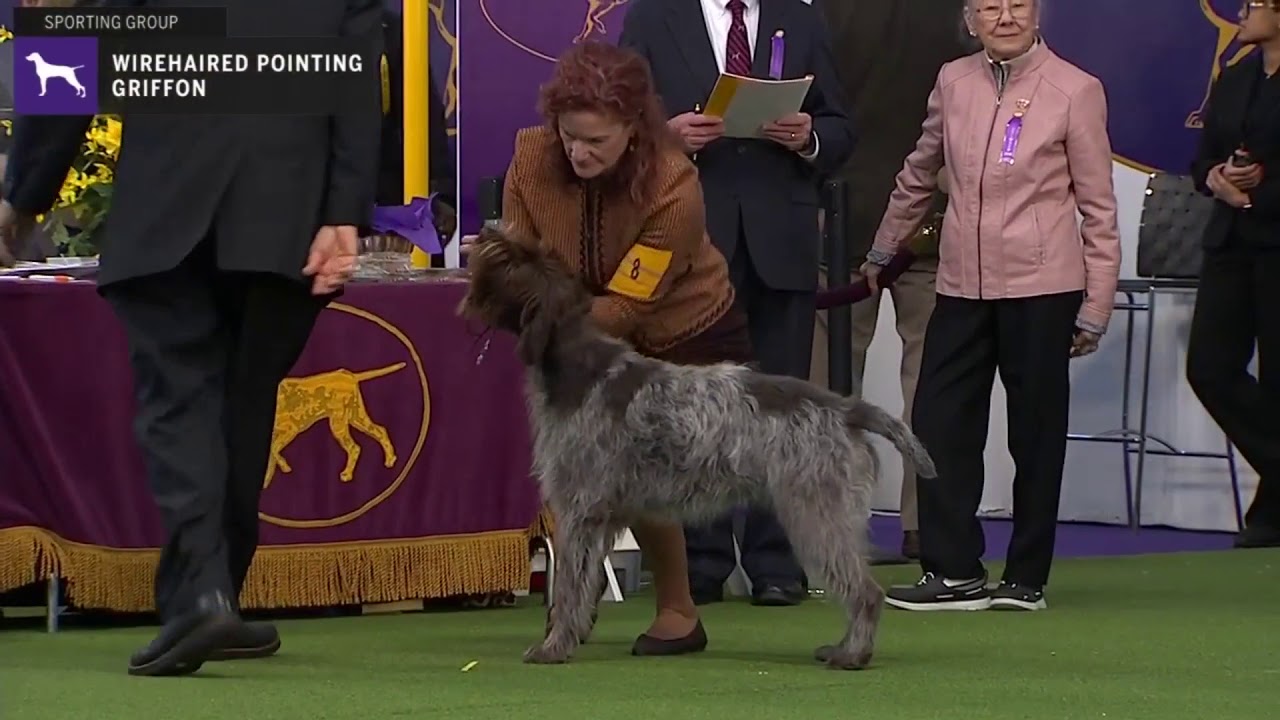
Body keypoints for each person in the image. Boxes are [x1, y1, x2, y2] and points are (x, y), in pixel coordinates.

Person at [0, 0, 382, 675]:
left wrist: (23, 193)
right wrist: (342, 213)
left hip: (171, 198)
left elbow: (74, 49)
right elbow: (356, 80)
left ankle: (204, 596)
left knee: (181, 400)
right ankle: (214, 596)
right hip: (286, 210)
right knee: (243, 404)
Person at [465, 40, 747, 655]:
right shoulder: (529, 156)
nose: (578, 151)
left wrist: (551, 323)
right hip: (574, 328)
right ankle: (572, 609)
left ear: (633, 129)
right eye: (569, 136)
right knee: (578, 473)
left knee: (636, 468)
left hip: (679, 325)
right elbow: (516, 257)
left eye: (597, 140)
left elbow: (626, 307)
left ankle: (677, 608)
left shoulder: (675, 183)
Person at [863, 0, 1121, 612]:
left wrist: (1097, 304)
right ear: (969, 18)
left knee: (1035, 435)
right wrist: (883, 247)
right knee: (937, 421)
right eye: (989, 7)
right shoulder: (953, 80)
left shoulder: (1075, 89)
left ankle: (1026, 577)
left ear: (1037, 14)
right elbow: (919, 172)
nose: (1005, 17)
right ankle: (953, 571)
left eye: (1018, 5)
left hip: (1043, 286)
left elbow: (1100, 208)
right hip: (959, 284)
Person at [619, 0, 853, 607]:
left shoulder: (799, 20)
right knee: (696, 407)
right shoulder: (650, 19)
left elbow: (841, 126)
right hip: (691, 244)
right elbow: (613, 123)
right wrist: (665, 138)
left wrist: (810, 137)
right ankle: (700, 560)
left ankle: (778, 562)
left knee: (781, 406)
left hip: (782, 241)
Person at [821, 0, 968, 561]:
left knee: (829, 390)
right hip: (933, 219)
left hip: (841, 218)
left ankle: (827, 525)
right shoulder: (962, 16)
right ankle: (925, 523)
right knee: (932, 386)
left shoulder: (826, 14)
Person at [1185, 0, 1280, 550]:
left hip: (1276, 239)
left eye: (1254, 4)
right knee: (1210, 368)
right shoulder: (1238, 73)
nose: (1242, 11)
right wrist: (1219, 178)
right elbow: (1203, 159)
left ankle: (1272, 512)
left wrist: (1260, 186)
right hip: (1230, 242)